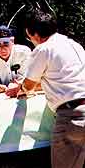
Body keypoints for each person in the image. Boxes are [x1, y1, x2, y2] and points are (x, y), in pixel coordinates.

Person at [8, 9, 85, 168]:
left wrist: (20, 89)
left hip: (72, 117)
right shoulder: (74, 45)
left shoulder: (43, 49)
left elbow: (28, 86)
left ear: (33, 33)